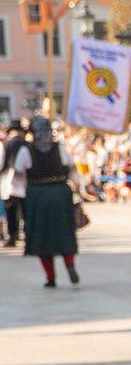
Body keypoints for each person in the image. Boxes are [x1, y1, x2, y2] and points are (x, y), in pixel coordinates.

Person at [13, 118, 80, 287]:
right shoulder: (61, 148)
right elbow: (72, 171)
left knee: (41, 237)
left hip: (37, 197)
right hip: (61, 194)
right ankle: (69, 264)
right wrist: (77, 192)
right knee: (64, 233)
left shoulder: (26, 151)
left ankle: (51, 277)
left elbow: (18, 176)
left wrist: (18, 198)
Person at [3, 123, 27, 246]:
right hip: (26, 182)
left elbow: (2, 163)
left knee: (11, 211)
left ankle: (13, 235)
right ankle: (27, 235)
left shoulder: (7, 144)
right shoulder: (27, 145)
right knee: (25, 211)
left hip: (10, 182)